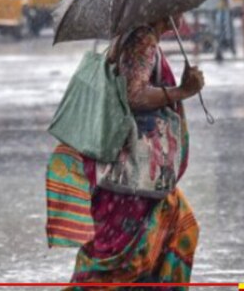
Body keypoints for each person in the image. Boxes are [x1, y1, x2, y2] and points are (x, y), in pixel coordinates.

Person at [46, 16, 205, 289]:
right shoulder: (142, 38)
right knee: (124, 261)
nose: (182, 13)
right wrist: (182, 91)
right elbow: (135, 96)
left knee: (153, 243)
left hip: (132, 177)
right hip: (133, 178)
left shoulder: (132, 35)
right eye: (178, 5)